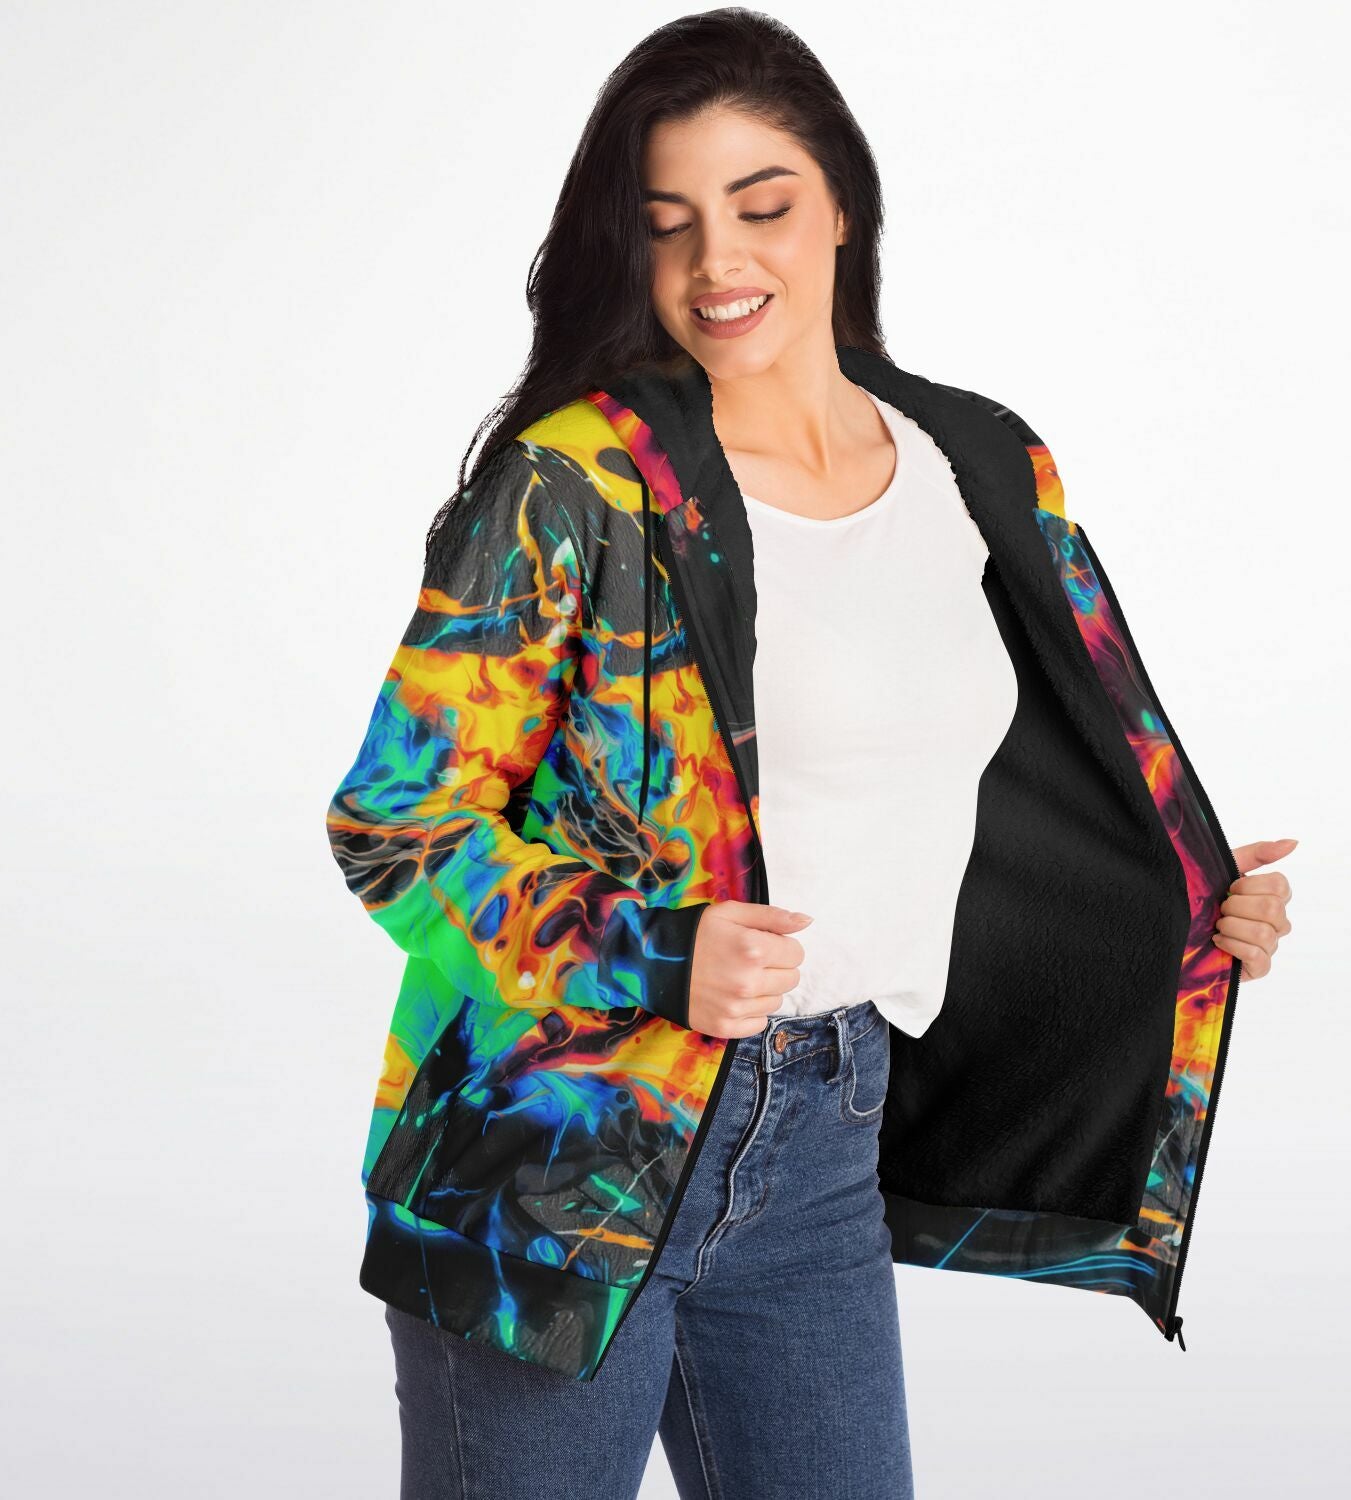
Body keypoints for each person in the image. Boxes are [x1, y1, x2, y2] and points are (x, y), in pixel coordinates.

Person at [324, 10, 1296, 1497]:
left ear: (845, 207)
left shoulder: (982, 464)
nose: (717, 260)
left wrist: (1184, 894)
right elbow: (395, 825)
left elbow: (1028, 770)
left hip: (825, 1137)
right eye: (670, 223)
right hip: (556, 1160)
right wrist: (653, 953)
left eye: (763, 205)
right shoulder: (575, 484)